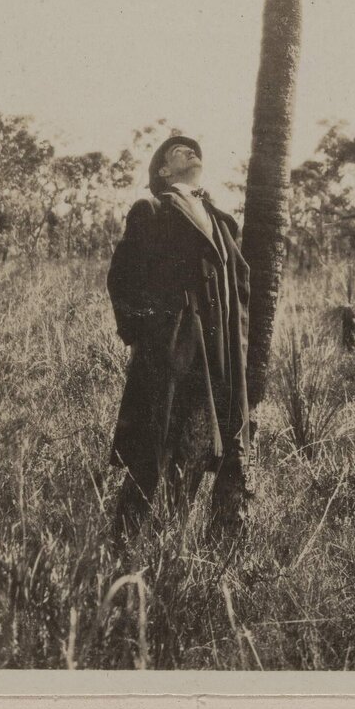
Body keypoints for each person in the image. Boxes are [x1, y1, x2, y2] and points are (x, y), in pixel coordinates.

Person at [106, 135, 250, 545]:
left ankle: (168, 546)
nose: (191, 151)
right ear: (164, 171)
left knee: (197, 449)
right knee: (150, 455)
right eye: (177, 150)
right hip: (170, 353)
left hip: (217, 357)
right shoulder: (153, 209)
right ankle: (121, 545)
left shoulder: (222, 221)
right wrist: (152, 336)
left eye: (194, 148)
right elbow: (122, 278)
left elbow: (240, 289)